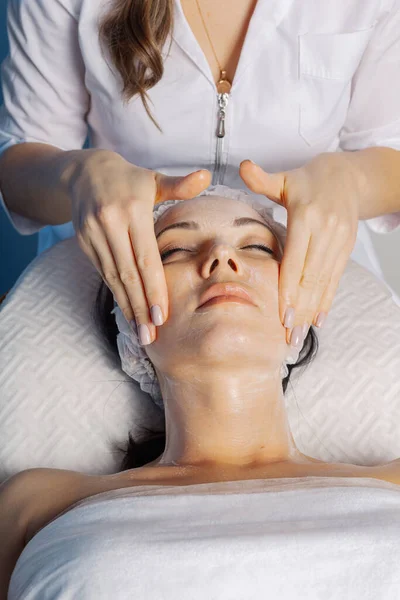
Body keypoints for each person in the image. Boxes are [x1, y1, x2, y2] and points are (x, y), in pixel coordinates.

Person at [2, 189, 400, 599]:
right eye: (174, 250)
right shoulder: (34, 504)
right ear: (130, 323)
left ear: (299, 308)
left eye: (257, 247)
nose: (223, 257)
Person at [0, 0, 400, 349]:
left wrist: (351, 180)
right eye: (176, 251)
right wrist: (76, 177)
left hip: (317, 260)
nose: (222, 261)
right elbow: (19, 162)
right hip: (112, 261)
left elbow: (390, 150)